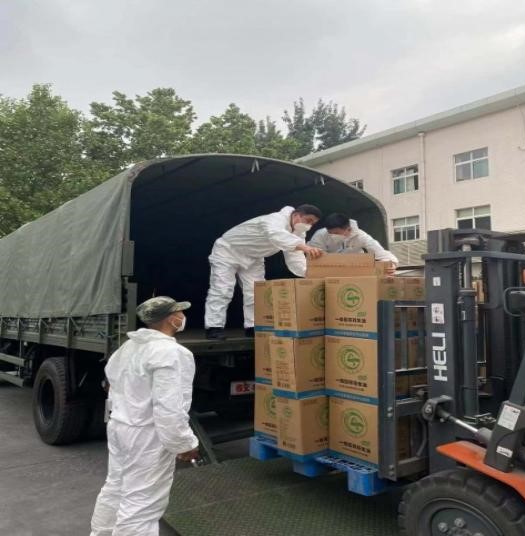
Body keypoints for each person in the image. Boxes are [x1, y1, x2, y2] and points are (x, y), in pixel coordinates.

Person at [90, 296, 198, 536]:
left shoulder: (127, 348)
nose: (183, 316)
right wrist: (184, 443)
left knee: (116, 486)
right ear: (171, 319)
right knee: (142, 503)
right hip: (147, 435)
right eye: (180, 312)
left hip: (120, 426)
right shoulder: (172, 353)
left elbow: (111, 384)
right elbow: (169, 407)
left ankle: (102, 532)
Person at [204, 204, 323, 340]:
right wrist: (305, 248)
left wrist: (309, 273)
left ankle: (253, 326)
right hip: (228, 250)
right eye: (308, 220)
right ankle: (214, 327)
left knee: (255, 292)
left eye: (313, 223)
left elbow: (295, 257)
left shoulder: (298, 233)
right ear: (297, 215)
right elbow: (277, 235)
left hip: (255, 257)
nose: (309, 225)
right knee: (222, 289)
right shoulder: (274, 219)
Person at [309, 213, 399, 274]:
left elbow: (382, 254)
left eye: (336, 233)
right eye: (330, 233)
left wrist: (392, 264)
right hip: (329, 271)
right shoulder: (320, 235)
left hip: (354, 270)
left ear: (348, 229)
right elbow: (316, 258)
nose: (332, 235)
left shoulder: (361, 236)